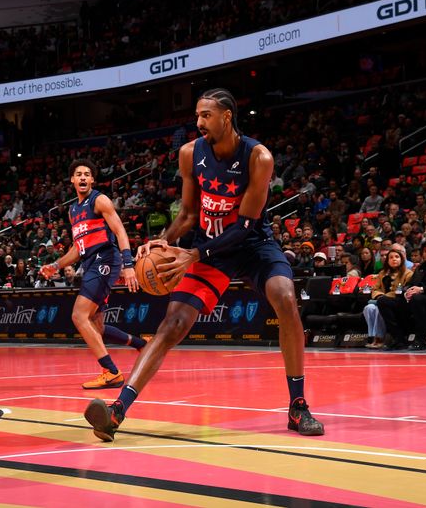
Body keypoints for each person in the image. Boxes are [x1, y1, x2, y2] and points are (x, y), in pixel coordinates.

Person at [83, 88, 323, 440]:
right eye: (197, 115)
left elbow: (244, 226)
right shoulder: (189, 154)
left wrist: (195, 254)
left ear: (227, 116)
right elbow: (189, 214)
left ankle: (298, 405)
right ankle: (116, 411)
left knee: (285, 297)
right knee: (172, 323)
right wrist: (165, 239)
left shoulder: (259, 157)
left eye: (206, 115)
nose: (198, 123)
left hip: (252, 244)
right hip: (209, 248)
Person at [40, 158, 146, 389]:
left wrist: (128, 266)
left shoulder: (99, 200)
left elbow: (120, 231)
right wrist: (56, 266)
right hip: (90, 262)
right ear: (72, 180)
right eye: (79, 174)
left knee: (79, 316)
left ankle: (111, 372)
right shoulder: (73, 211)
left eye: (87, 174)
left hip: (106, 258)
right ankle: (141, 344)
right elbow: (77, 248)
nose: (83, 177)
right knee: (97, 327)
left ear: (92, 179)